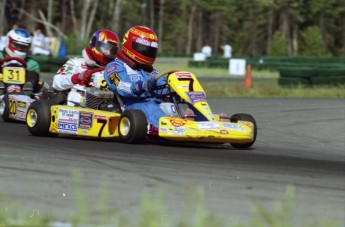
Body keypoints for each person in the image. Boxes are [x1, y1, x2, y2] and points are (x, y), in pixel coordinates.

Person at [103, 26, 171, 130]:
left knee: (183, 104)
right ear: (130, 45)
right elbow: (121, 86)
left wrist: (172, 90)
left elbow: (163, 87)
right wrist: (141, 86)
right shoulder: (114, 67)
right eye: (144, 49)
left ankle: (200, 126)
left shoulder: (151, 71)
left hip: (157, 103)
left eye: (151, 50)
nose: (147, 53)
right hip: (133, 106)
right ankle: (172, 129)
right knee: (150, 107)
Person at [52, 29, 119, 105]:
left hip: (107, 103)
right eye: (106, 48)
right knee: (74, 95)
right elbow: (57, 82)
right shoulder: (76, 63)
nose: (108, 53)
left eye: (112, 50)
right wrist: (78, 77)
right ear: (94, 44)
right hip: (79, 103)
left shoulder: (113, 68)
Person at [0, 28, 41, 93]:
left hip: (22, 90)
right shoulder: (0, 56)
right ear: (8, 42)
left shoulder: (31, 63)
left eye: (23, 46)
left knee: (33, 74)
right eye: (16, 45)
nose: (19, 48)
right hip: (2, 87)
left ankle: (28, 90)